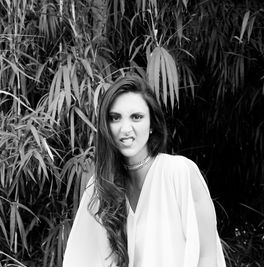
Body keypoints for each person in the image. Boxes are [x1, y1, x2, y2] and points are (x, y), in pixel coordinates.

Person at [63, 74, 226, 267]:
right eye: (115, 118)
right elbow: (80, 259)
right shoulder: (100, 187)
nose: (125, 129)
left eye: (137, 117)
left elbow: (207, 257)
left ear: (152, 125)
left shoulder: (179, 173)